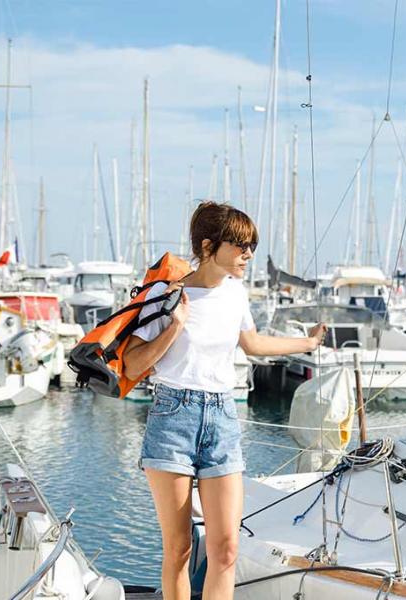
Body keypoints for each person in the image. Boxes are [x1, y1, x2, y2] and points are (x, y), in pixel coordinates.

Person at [123, 201, 326, 600]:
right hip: (172, 416)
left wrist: (307, 342)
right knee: (179, 549)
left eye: (251, 245)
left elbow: (250, 343)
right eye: (240, 245)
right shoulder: (166, 295)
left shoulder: (236, 294)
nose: (249, 254)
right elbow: (132, 365)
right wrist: (175, 325)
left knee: (226, 549)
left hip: (222, 417)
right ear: (207, 245)